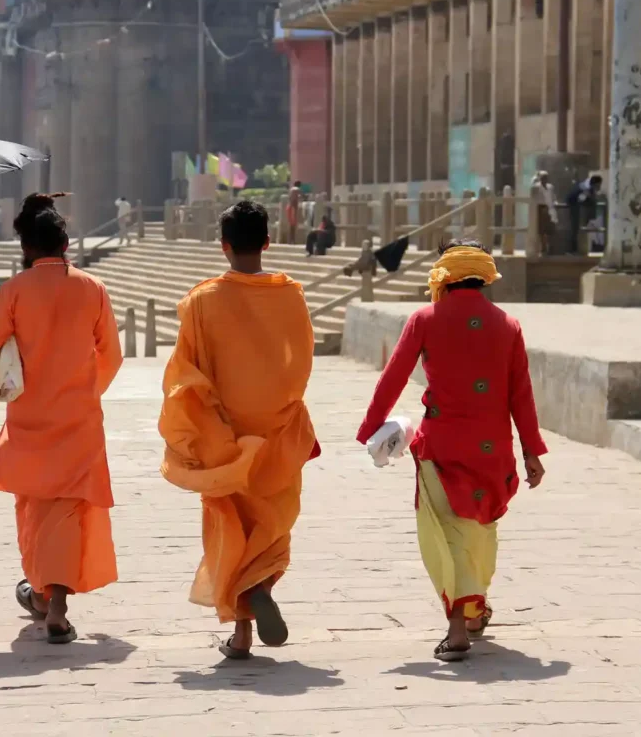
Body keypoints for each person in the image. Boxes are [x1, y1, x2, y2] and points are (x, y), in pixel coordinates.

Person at [355, 239, 547, 662]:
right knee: (478, 532)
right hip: (491, 448)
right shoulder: (508, 325)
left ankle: (458, 628)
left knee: (444, 534)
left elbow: (394, 377)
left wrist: (370, 429)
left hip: (440, 446)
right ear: (484, 276)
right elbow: (522, 395)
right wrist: (532, 451)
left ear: (444, 275)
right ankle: (474, 612)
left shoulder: (425, 318)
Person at [158, 200, 319, 660]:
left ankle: (242, 631)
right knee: (272, 525)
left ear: (224, 245)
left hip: (225, 438)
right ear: (268, 242)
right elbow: (302, 362)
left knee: (229, 525)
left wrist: (199, 432)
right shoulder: (291, 294)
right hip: (277, 431)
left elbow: (186, 375)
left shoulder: (201, 301)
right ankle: (259, 587)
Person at [0, 193, 122, 645]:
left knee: (35, 509)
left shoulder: (14, 291)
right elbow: (111, 356)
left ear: (26, 247)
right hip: (78, 418)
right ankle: (50, 602)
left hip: (29, 419)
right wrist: (84, 391)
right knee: (69, 509)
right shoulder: (92, 288)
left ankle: (46, 597)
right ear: (65, 242)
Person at [566, 174, 602, 254]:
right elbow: (580, 199)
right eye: (598, 185)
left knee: (579, 229)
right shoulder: (585, 189)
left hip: (579, 206)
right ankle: (572, 250)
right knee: (575, 228)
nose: (599, 187)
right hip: (574, 205)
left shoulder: (588, 186)